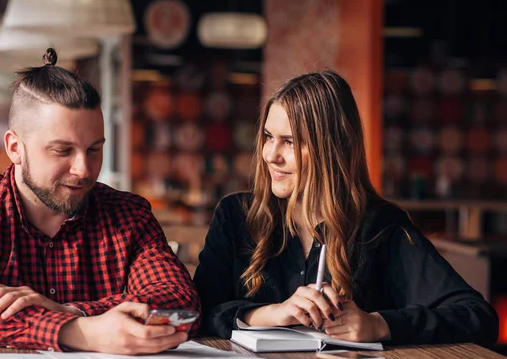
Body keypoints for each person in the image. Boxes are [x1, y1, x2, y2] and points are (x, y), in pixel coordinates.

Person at [0, 48, 199, 354]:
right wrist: (82, 332)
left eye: (94, 150)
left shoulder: (129, 215)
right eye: (62, 151)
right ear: (15, 148)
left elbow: (178, 300)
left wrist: (71, 312)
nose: (83, 169)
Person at [193, 71, 498, 346]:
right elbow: (197, 312)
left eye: (290, 142)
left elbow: (477, 317)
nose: (271, 155)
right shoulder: (236, 215)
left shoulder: (380, 226)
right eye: (269, 137)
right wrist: (271, 313)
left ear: (330, 149)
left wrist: (379, 324)